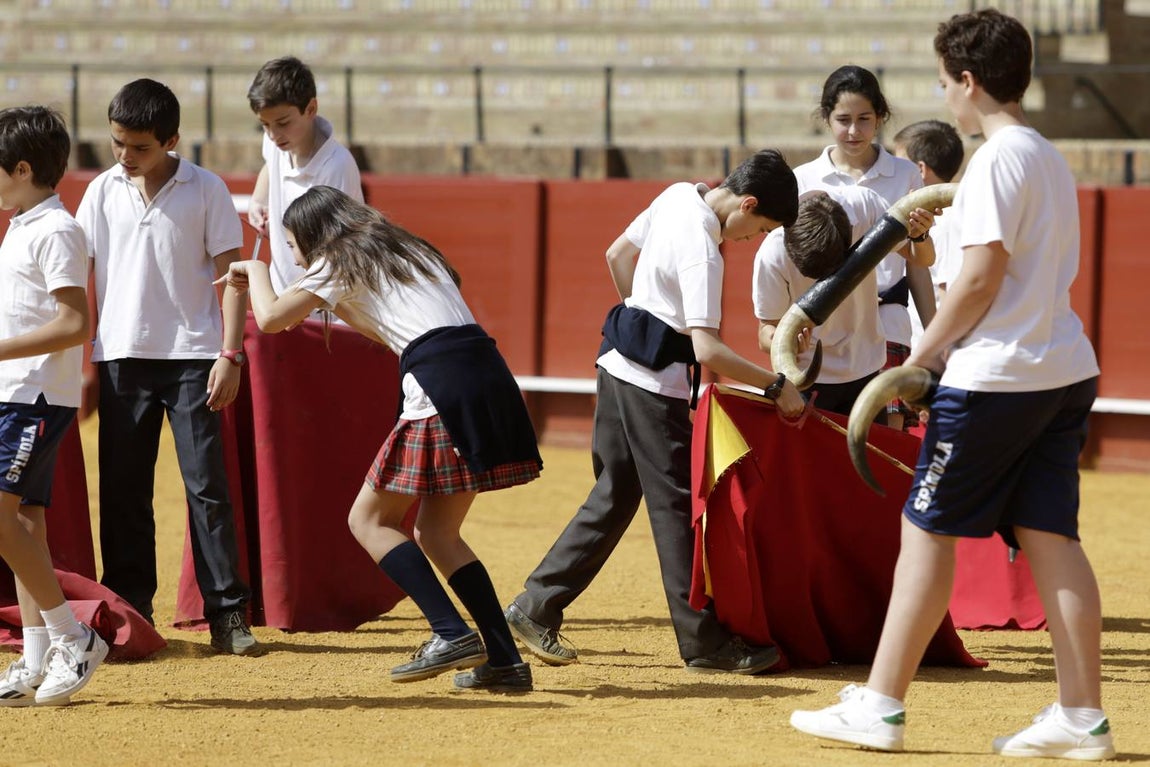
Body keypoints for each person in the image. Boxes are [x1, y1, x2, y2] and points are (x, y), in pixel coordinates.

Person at [791, 9, 1114, 760]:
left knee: (925, 528)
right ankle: (1081, 715)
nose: (946, 95)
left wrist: (925, 357)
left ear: (968, 82)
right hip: (1060, 367)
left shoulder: (998, 160)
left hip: (995, 375)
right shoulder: (1045, 156)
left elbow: (978, 275)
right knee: (1051, 536)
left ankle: (881, 706)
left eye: (945, 81)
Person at [218, 185, 542, 692]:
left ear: (312, 235)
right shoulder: (407, 248)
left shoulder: (335, 258)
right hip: (486, 374)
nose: (295, 255)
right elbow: (386, 326)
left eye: (292, 243)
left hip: (438, 384)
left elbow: (276, 319)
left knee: (367, 520)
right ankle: (504, 660)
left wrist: (253, 272)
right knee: (438, 534)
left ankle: (450, 632)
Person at [504, 149, 805, 674]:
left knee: (617, 492)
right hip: (651, 388)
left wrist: (642, 316)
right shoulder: (705, 254)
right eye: (757, 228)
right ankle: (704, 644)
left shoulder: (676, 195)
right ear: (747, 204)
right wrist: (776, 385)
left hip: (616, 364)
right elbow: (707, 350)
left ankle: (537, 605)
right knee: (677, 512)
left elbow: (616, 254)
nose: (749, 239)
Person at [75, 79, 259, 655]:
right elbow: (77, 275)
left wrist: (230, 352)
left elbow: (234, 276)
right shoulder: (101, 191)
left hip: (193, 357)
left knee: (207, 488)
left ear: (172, 140)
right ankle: (130, 613)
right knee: (124, 491)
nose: (125, 157)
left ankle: (229, 616)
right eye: (117, 144)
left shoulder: (207, 188)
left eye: (139, 147)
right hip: (121, 357)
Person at [0, 105, 109, 706]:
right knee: (25, 527)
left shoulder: (57, 230)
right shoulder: (22, 223)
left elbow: (74, 323)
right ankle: (37, 656)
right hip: (16, 391)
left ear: (20, 168)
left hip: (33, 394)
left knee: (3, 521)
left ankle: (74, 636)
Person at [795, 64, 937, 430]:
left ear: (881, 117)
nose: (854, 131)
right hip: (826, 329)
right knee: (824, 440)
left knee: (884, 441)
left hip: (888, 323)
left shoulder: (905, 175)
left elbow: (918, 264)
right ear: (826, 118)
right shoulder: (804, 180)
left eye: (864, 119)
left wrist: (934, 336)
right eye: (843, 119)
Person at [754, 187, 889, 418]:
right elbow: (765, 331)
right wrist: (784, 342)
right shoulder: (773, 252)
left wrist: (920, 234)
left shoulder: (864, 212)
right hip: (805, 378)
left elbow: (920, 255)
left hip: (866, 369)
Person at [246, 56, 364, 294]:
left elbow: (331, 254)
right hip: (284, 291)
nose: (272, 134)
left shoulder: (335, 166)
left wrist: (291, 308)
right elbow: (270, 164)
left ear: (311, 109)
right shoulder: (278, 142)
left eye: (283, 123)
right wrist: (258, 200)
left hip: (325, 304)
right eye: (265, 125)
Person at [892, 119, 965, 349]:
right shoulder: (934, 218)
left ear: (920, 170)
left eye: (900, 164)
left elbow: (950, 294)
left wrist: (938, 351)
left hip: (931, 353)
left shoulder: (949, 221)